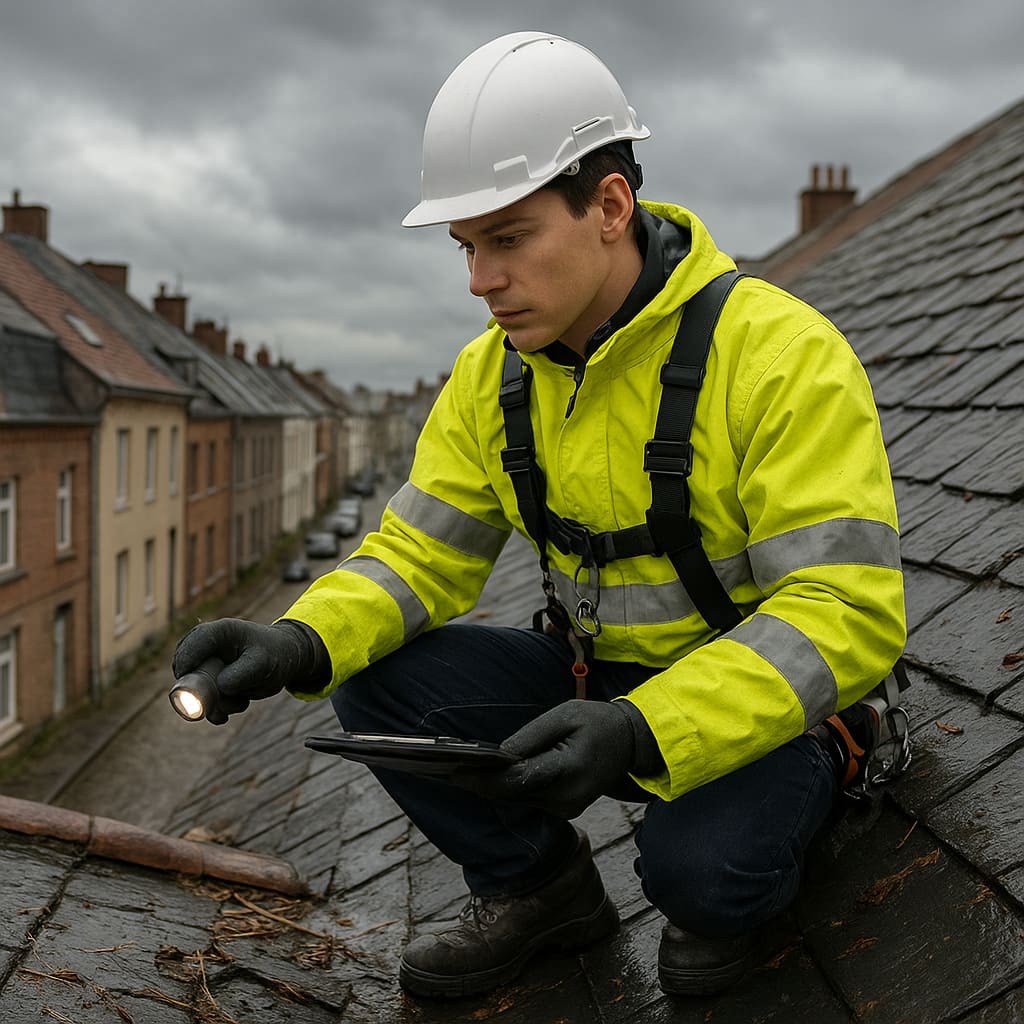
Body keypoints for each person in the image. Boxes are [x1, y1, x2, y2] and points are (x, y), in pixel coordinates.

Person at [173, 31, 906, 1000]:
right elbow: (417, 556)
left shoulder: (779, 356)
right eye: (466, 246)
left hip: (759, 716)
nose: (477, 279)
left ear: (609, 206)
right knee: (372, 681)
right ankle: (539, 889)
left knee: (700, 880)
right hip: (588, 684)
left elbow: (841, 614)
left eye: (506, 238)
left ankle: (763, 849)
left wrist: (643, 729)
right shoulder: (493, 375)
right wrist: (299, 641)